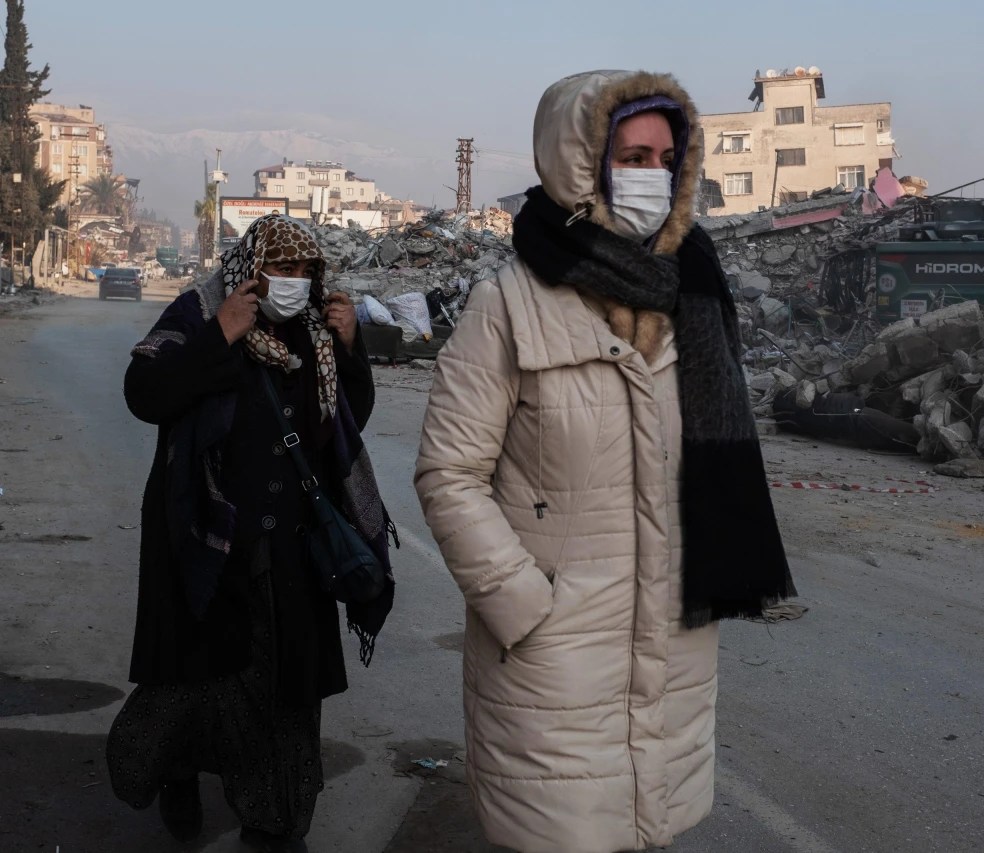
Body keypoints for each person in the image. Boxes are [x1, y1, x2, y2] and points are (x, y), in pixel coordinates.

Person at [414, 70, 795, 853]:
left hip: (674, 655)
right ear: (580, 163)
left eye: (664, 156)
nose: (651, 173)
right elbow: (448, 474)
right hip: (554, 665)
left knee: (650, 829)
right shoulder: (510, 304)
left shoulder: (696, 294)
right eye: (630, 154)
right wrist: (525, 604)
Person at [107, 213, 395, 853]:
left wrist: (351, 355)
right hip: (206, 541)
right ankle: (177, 772)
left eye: (304, 272)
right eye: (281, 269)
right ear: (251, 268)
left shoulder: (316, 333)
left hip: (291, 551)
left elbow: (344, 427)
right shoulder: (199, 310)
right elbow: (144, 392)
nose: (292, 283)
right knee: (194, 680)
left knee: (286, 693)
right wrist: (220, 337)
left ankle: (275, 819)